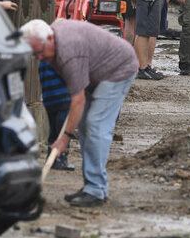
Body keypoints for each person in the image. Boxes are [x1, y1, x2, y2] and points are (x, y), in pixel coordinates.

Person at [20, 19, 137, 207]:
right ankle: (91, 186)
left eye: (40, 51)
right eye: (35, 54)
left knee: (96, 124)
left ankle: (97, 191)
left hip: (118, 69)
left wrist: (64, 137)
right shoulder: (53, 41)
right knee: (84, 127)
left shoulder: (68, 52)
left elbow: (77, 100)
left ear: (50, 38)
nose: (40, 57)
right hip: (95, 71)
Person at [38, 60, 74, 171]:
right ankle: (61, 159)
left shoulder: (43, 61)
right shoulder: (61, 58)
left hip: (49, 100)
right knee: (63, 131)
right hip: (62, 98)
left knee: (53, 131)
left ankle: (51, 158)